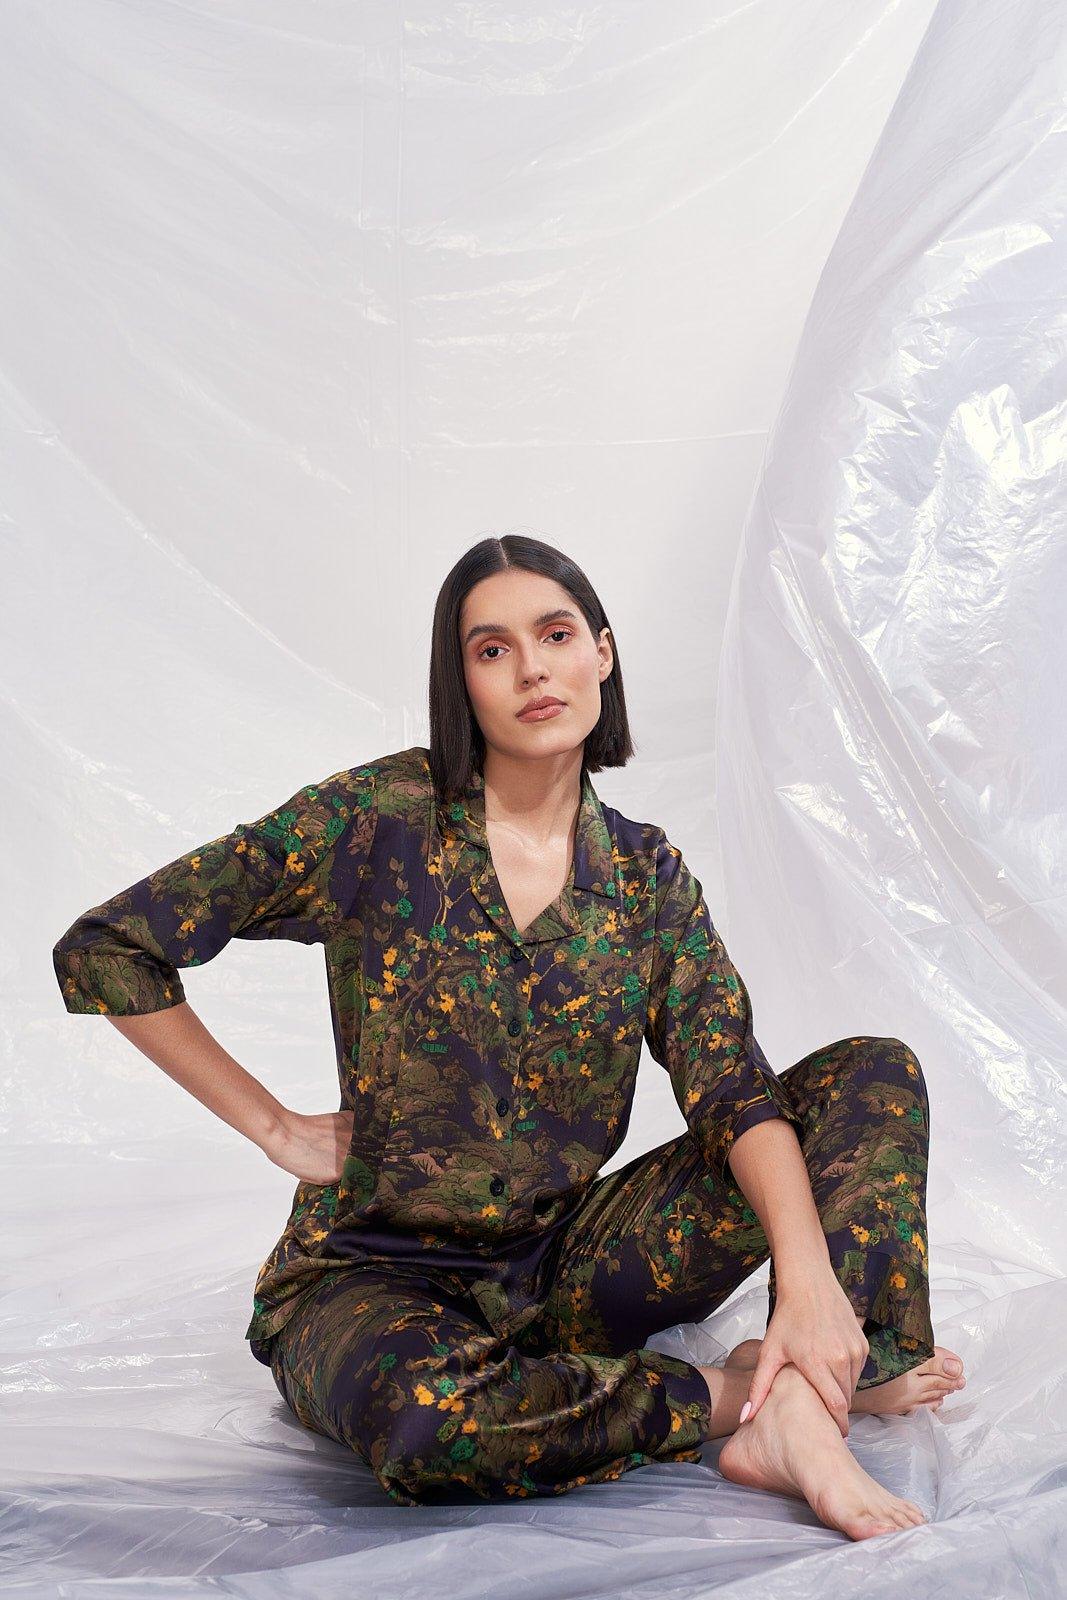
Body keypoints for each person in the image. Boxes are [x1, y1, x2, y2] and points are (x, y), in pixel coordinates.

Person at [52, 534, 965, 1538]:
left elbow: (730, 1088)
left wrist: (804, 1281)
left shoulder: (642, 877)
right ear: (463, 686)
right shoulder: (378, 822)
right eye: (491, 650)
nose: (531, 666)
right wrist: (275, 1128)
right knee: (429, 1424)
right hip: (366, 1275)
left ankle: (829, 1365)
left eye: (555, 633)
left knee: (869, 1076)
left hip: (560, 1267)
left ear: (601, 656)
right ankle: (744, 1398)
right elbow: (110, 947)